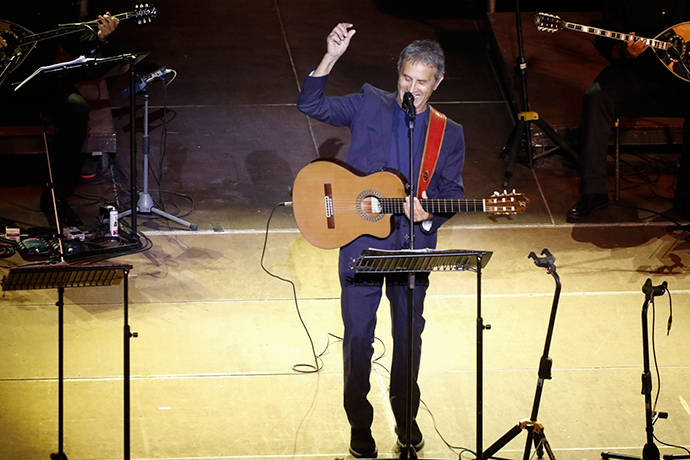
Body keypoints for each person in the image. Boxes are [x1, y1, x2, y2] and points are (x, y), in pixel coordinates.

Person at [297, 23, 465, 458]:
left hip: (412, 247)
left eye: (421, 82)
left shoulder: (449, 132)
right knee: (358, 339)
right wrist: (330, 56)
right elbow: (309, 102)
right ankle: (360, 425)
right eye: (406, 79)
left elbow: (453, 192)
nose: (412, 89)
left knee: (410, 337)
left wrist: (432, 212)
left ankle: (406, 417)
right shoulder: (369, 103)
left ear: (438, 82)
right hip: (361, 244)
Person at [568, 0, 690, 220]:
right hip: (635, 75)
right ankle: (593, 191)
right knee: (596, 97)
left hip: (682, 81)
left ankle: (686, 197)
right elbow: (605, 42)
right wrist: (624, 52)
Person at [0, 1, 119, 227]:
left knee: (76, 109)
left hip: (39, 79)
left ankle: (56, 195)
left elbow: (75, 44)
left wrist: (100, 38)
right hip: (3, 80)